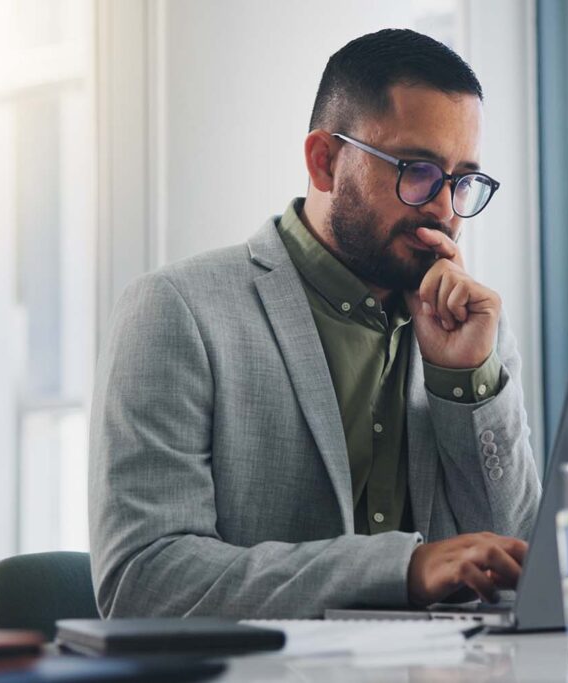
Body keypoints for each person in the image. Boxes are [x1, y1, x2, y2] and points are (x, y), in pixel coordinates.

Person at [89, 28, 541, 619]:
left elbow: (517, 567)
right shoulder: (176, 311)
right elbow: (144, 582)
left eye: (463, 181)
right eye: (418, 171)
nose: (443, 207)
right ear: (325, 162)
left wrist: (466, 382)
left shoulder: (473, 330)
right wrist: (400, 571)